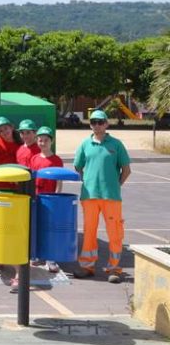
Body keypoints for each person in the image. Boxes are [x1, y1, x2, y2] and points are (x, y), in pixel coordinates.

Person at [73, 110, 131, 284]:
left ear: (106, 124)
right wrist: (89, 181)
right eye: (93, 122)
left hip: (111, 197)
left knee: (115, 232)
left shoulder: (116, 145)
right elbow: (78, 167)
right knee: (89, 231)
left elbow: (126, 170)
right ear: (90, 124)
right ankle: (87, 266)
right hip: (89, 196)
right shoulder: (85, 144)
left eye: (100, 122)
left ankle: (114, 269)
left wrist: (116, 185)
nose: (96, 125)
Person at [29, 126, 64, 274]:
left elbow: (59, 181)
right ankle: (36, 255)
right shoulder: (34, 159)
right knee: (36, 227)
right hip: (37, 198)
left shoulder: (56, 160)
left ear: (51, 141)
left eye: (46, 140)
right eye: (40, 140)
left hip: (50, 199)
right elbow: (32, 179)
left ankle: (50, 259)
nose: (43, 143)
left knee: (49, 229)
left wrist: (56, 196)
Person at [0, 116, 21, 190]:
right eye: (1, 131)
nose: (4, 132)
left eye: (6, 128)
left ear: (12, 128)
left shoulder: (20, 144)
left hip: (15, 181)